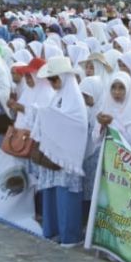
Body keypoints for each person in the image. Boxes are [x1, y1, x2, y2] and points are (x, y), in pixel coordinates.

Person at [30, 56, 89, 247]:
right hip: (52, 155)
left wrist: (46, 115)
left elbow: (77, 125)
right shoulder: (58, 97)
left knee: (66, 196)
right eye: (50, 79)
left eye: (55, 79)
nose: (52, 83)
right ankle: (52, 230)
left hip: (66, 157)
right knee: (51, 194)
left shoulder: (75, 99)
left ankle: (69, 235)